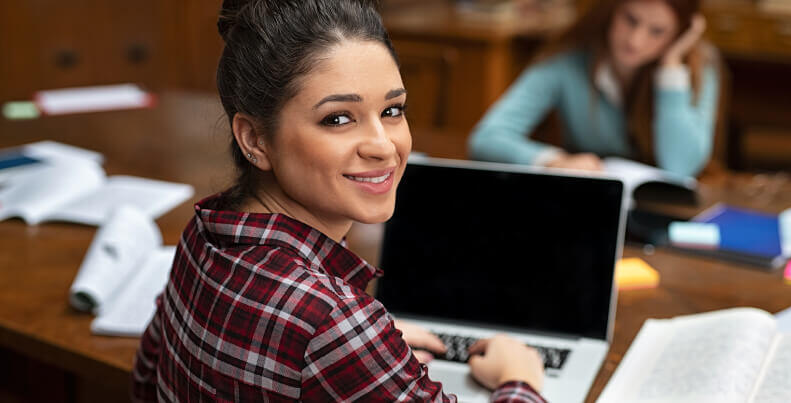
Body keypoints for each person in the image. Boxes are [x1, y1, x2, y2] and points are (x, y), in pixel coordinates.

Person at [131, 0, 546, 401]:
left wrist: (370, 352)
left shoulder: (204, 231)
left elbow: (147, 377)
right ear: (255, 139)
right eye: (338, 118)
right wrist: (519, 379)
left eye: (392, 110)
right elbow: (318, 325)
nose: (384, 147)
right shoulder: (332, 322)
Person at [468, 0, 720, 177]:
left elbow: (681, 167)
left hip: (660, 217)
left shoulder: (696, 68)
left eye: (657, 31)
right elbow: (487, 137)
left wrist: (671, 69)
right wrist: (554, 161)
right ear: (611, 9)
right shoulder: (568, 60)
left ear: (677, 35)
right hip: (590, 204)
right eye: (630, 20)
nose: (636, 40)